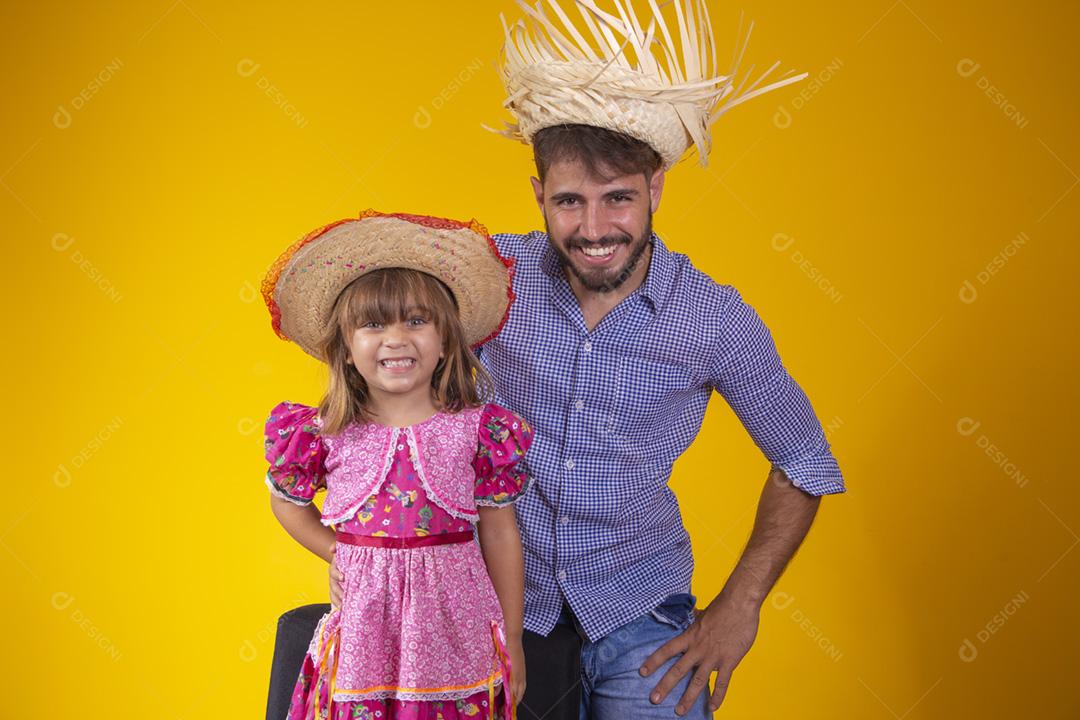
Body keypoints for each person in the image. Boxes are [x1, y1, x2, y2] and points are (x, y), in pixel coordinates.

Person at [261, 209, 533, 719]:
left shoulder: (479, 430)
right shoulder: (324, 433)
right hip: (365, 641)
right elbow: (289, 506)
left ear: (446, 338)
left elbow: (499, 533)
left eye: (416, 320)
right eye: (372, 324)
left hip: (458, 637)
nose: (396, 338)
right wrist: (339, 552)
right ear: (344, 349)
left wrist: (512, 637)